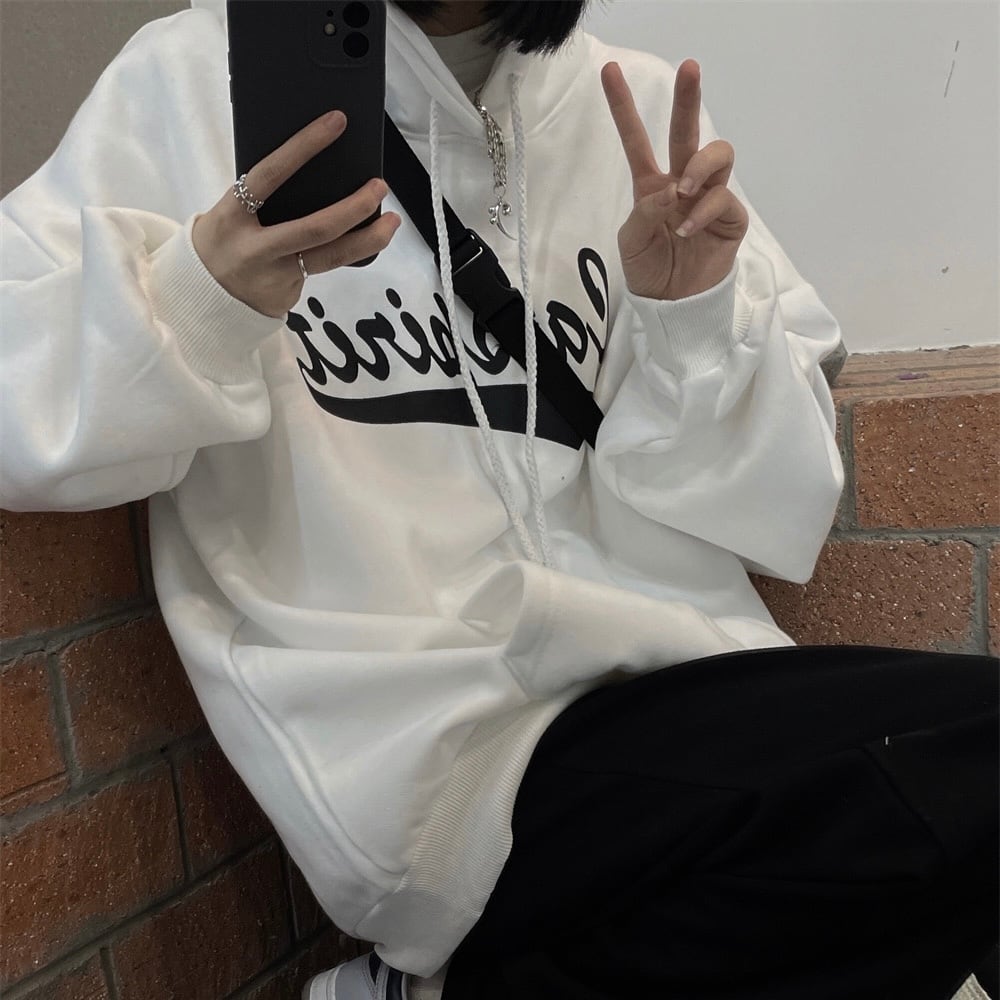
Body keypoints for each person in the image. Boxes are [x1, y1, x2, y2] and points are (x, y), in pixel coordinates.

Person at [1, 1, 995, 998]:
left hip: (679, 691)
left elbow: (776, 508)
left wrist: (689, 319)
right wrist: (196, 298)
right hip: (430, 764)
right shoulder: (192, 83)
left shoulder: (633, 105)